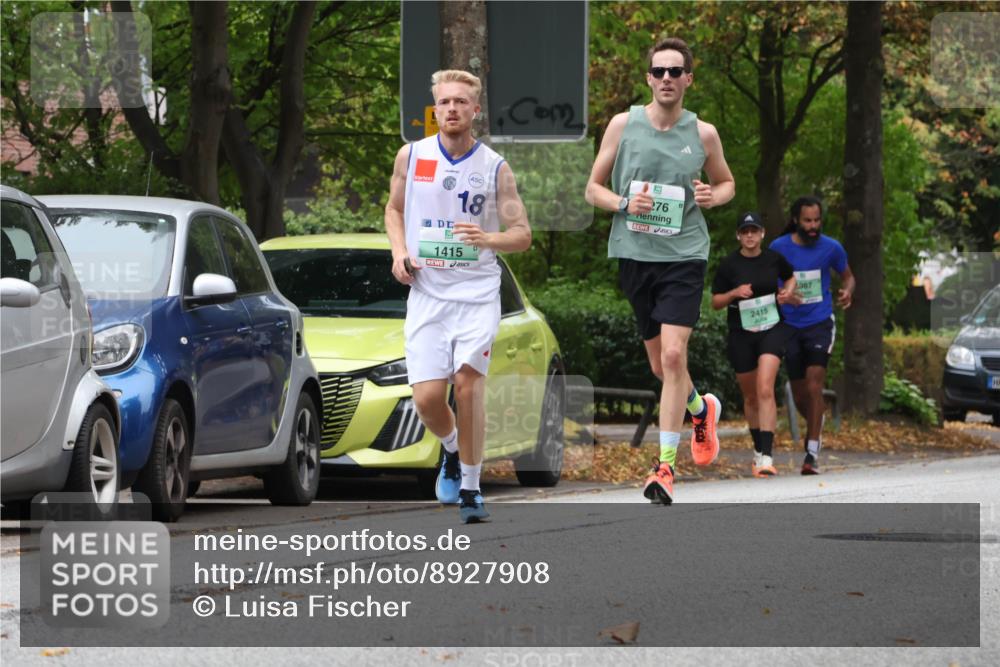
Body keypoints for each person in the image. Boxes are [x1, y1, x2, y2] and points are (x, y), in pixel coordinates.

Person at [585, 37, 735, 504]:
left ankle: (665, 468)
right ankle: (700, 408)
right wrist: (625, 202)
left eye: (676, 71)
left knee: (673, 357)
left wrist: (715, 195)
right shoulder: (621, 125)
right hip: (634, 253)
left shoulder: (703, 133)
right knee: (659, 363)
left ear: (689, 78)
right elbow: (593, 189)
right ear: (648, 78)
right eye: (659, 71)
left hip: (684, 254)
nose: (667, 79)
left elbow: (726, 182)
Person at [384, 69, 532, 522]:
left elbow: (522, 235)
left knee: (467, 386)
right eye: (444, 102)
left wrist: (488, 239)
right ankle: (450, 448)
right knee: (428, 400)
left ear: (474, 110)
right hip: (428, 293)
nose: (451, 109)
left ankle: (471, 487)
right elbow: (393, 210)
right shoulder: (411, 156)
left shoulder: (494, 168)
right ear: (435, 109)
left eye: (460, 102)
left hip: (475, 294)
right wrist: (399, 251)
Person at [770, 196, 855, 475]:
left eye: (817, 220)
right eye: (807, 220)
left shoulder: (831, 247)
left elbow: (848, 276)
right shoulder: (778, 247)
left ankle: (812, 452)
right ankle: (816, 426)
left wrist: (847, 291)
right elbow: (767, 282)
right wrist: (782, 296)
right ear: (796, 220)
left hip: (819, 322)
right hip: (790, 326)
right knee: (799, 393)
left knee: (814, 384)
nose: (813, 225)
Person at [711, 212, 798, 477]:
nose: (749, 235)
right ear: (738, 235)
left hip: (772, 328)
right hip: (742, 333)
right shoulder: (728, 265)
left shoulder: (773, 259)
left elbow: (791, 276)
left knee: (765, 388)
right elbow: (715, 302)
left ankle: (767, 457)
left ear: (762, 234)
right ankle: (758, 449)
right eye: (745, 231)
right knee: (750, 396)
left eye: (754, 231)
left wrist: (788, 291)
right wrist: (734, 293)